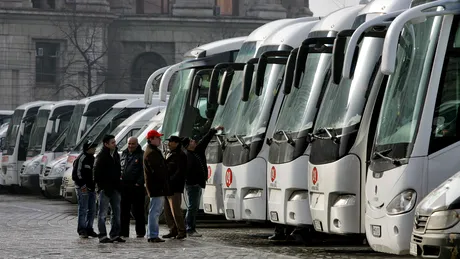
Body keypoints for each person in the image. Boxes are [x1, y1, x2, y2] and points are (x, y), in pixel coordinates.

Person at [182, 125, 224, 237]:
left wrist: (214, 130)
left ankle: (189, 226)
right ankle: (189, 228)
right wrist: (193, 181)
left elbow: (205, 139)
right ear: (187, 146)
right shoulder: (187, 156)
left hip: (197, 184)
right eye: (191, 141)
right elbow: (187, 172)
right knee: (193, 206)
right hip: (192, 184)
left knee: (193, 206)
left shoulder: (197, 150)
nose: (193, 141)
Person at [94, 135, 125, 244]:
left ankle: (114, 234)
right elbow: (97, 174)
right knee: (102, 214)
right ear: (106, 144)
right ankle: (102, 235)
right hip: (105, 190)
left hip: (116, 189)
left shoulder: (115, 155)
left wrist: (119, 185)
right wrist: (102, 187)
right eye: (112, 142)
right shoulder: (101, 156)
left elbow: (118, 171)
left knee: (116, 213)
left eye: (115, 142)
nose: (115, 144)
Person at [144, 129, 169, 243]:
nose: (160, 140)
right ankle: (153, 235)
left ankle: (152, 234)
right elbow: (157, 171)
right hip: (156, 187)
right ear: (151, 139)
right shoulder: (151, 153)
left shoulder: (153, 151)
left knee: (154, 211)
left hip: (156, 186)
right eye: (158, 138)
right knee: (154, 212)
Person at [162, 135, 187, 240]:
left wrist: (171, 181)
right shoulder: (170, 153)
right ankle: (172, 229)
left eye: (171, 142)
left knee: (176, 211)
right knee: (167, 211)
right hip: (167, 187)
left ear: (176, 143)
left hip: (175, 187)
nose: (169, 144)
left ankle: (181, 230)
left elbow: (180, 172)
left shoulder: (180, 155)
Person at [120, 137, 146, 238]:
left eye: (133, 144)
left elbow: (144, 171)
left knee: (138, 211)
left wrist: (139, 183)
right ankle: (124, 232)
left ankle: (140, 232)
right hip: (124, 186)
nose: (130, 146)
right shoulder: (124, 153)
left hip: (136, 187)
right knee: (124, 211)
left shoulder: (141, 155)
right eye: (129, 144)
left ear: (137, 144)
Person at [72, 140, 98, 238]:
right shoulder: (81, 159)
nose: (94, 149)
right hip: (82, 188)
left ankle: (89, 228)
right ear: (88, 148)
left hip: (92, 188)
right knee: (83, 208)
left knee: (92, 209)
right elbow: (76, 174)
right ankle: (82, 229)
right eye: (92, 147)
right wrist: (82, 185)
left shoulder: (93, 159)